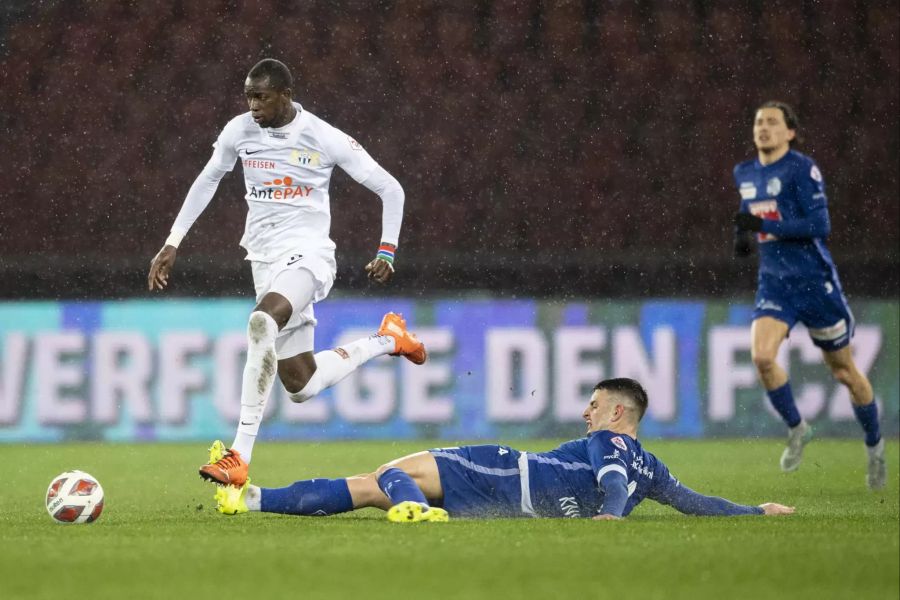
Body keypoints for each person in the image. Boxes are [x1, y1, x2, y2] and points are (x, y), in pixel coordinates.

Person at [147, 58, 426, 487]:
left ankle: (238, 455)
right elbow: (207, 180)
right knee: (301, 385)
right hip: (263, 260)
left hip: (309, 256)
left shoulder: (322, 136)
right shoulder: (239, 131)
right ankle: (389, 339)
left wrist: (386, 251)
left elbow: (391, 188)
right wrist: (173, 242)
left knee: (262, 321)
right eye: (248, 96)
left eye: (261, 96)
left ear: (286, 95)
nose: (252, 105)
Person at [214, 378, 795, 521]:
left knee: (388, 472)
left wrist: (610, 518)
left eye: (594, 403)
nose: (585, 412)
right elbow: (694, 503)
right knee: (371, 486)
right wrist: (754, 511)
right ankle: (252, 498)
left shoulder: (610, 440)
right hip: (506, 502)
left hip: (501, 468)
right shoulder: (656, 469)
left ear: (619, 412)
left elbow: (613, 481)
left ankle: (418, 510)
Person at [732, 101, 885, 489]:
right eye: (758, 122)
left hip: (815, 284)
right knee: (762, 357)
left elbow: (819, 224)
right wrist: (743, 235)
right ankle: (798, 428)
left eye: (772, 122)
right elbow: (750, 212)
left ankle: (874, 447)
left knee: (844, 372)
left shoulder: (802, 168)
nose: (763, 128)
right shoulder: (744, 172)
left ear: (790, 132)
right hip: (775, 284)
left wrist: (762, 223)